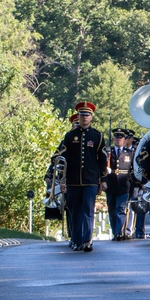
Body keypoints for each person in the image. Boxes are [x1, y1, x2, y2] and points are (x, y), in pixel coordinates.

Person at [50, 101, 106, 251]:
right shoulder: (70, 136)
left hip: (91, 180)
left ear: (91, 117)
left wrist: (103, 180)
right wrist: (60, 173)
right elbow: (61, 155)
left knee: (88, 211)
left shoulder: (97, 136)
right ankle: (76, 240)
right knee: (75, 211)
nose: (84, 118)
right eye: (82, 115)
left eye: (87, 115)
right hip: (73, 181)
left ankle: (87, 241)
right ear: (78, 117)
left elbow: (102, 159)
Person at [105, 127, 134, 240]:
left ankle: (119, 232)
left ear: (124, 140)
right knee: (112, 210)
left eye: (121, 138)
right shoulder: (108, 152)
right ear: (113, 139)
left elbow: (132, 170)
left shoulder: (129, 153)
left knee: (120, 210)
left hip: (124, 185)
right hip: (111, 185)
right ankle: (115, 231)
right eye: (117, 137)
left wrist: (134, 185)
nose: (119, 140)